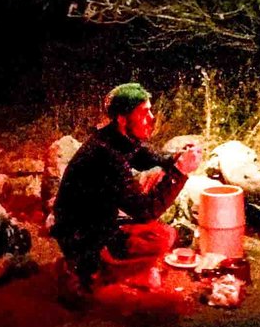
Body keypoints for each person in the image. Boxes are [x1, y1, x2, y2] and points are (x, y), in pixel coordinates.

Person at [52, 83, 200, 289]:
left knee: (155, 177)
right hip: (83, 236)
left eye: (150, 111)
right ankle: (96, 270)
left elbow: (145, 156)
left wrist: (175, 158)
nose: (151, 118)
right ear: (123, 119)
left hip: (95, 220)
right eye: (144, 113)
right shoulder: (105, 156)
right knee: (163, 237)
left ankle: (102, 266)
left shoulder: (114, 137)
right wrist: (180, 171)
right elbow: (147, 211)